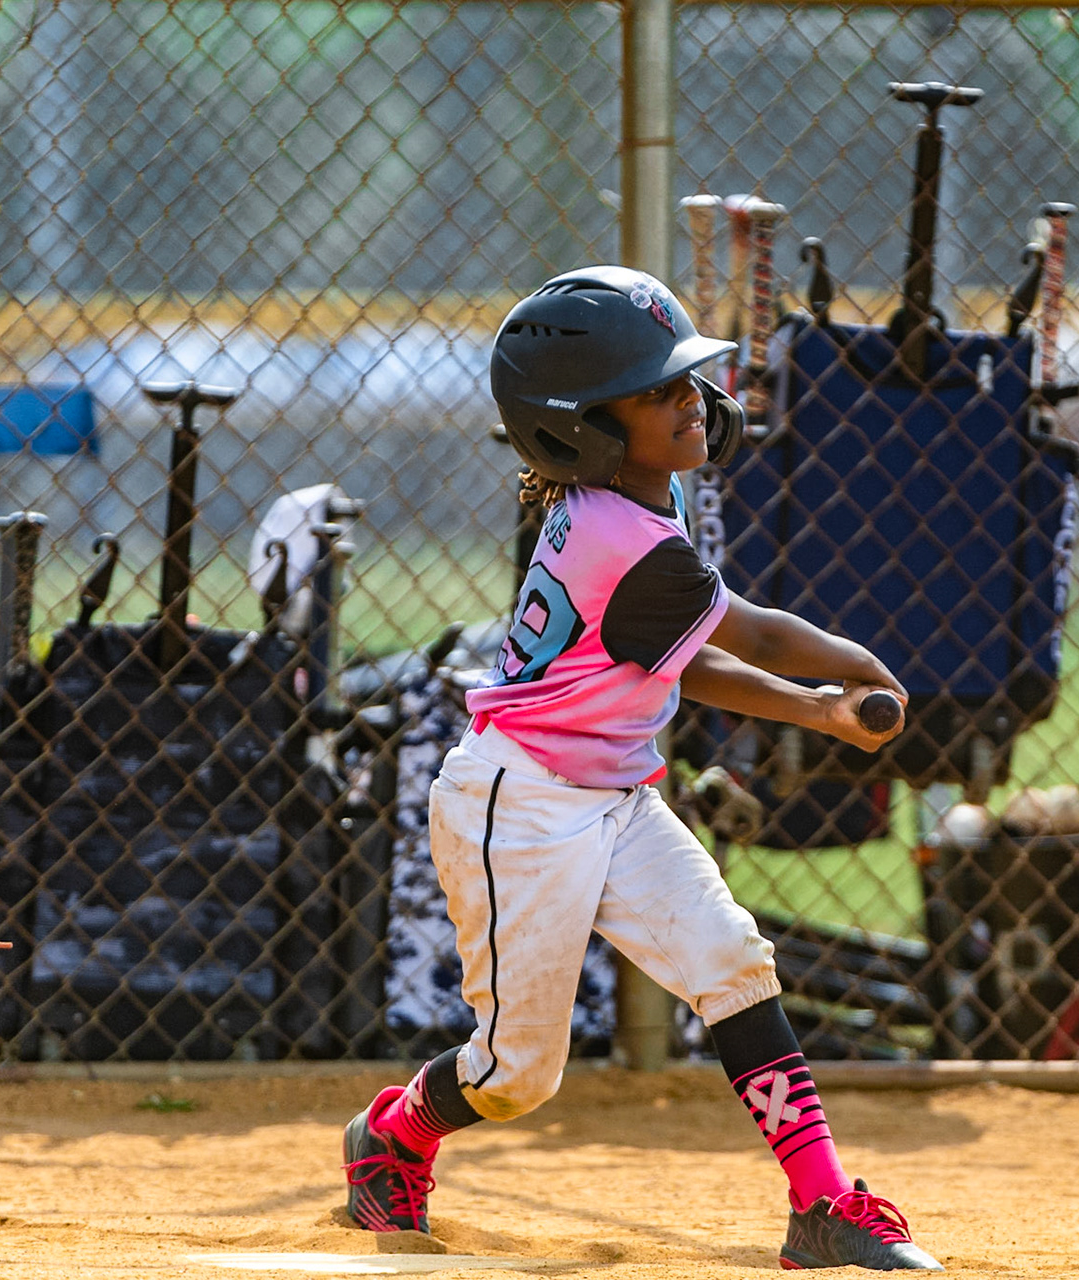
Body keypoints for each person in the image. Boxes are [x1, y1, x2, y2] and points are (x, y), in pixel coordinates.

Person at [340, 266, 942, 1272]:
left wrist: (815, 709)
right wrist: (853, 674)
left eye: (686, 380)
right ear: (580, 427)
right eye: (656, 391)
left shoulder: (636, 499)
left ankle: (824, 1203)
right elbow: (748, 634)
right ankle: (394, 1133)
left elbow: (675, 654)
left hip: (614, 795)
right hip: (520, 806)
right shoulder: (623, 534)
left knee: (732, 961)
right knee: (516, 1076)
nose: (690, 401)